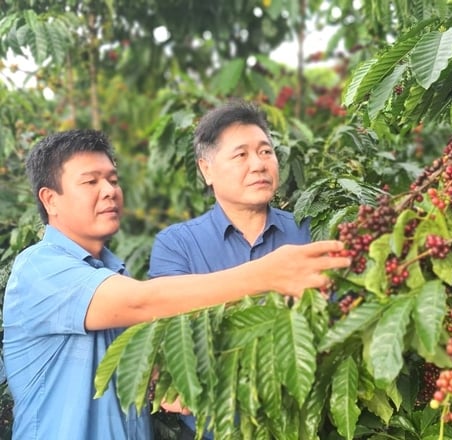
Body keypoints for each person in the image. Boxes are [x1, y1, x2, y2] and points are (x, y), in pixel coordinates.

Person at [1, 129, 350, 440]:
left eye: (112, 179)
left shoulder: (112, 273)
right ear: (50, 199)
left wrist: (163, 379)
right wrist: (267, 274)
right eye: (90, 182)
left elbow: (132, 361)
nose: (109, 191)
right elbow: (143, 302)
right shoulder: (40, 268)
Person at [148, 99, 310, 439]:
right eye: (241, 155)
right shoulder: (177, 245)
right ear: (206, 170)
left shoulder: (309, 231)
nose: (258, 165)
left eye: (266, 152)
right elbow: (173, 338)